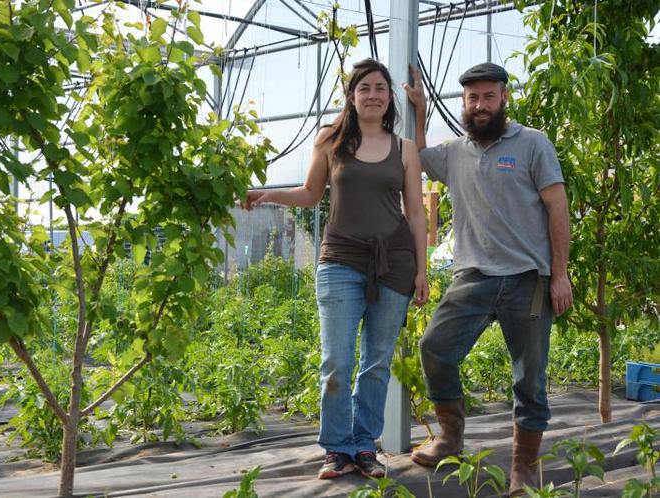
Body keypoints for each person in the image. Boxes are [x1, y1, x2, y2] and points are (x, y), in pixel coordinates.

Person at [245, 58, 429, 480]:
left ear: (390, 97)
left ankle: (365, 446)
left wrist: (421, 270)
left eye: (381, 88)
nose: (374, 95)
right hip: (340, 262)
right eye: (365, 88)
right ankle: (336, 449)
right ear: (352, 95)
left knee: (377, 363)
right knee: (336, 363)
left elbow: (416, 214)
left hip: (393, 266)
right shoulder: (330, 139)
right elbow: (310, 193)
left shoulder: (405, 149)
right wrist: (264, 195)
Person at [403, 62, 572, 496]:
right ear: (464, 102)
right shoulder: (455, 151)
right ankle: (450, 438)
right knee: (435, 348)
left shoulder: (533, 143)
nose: (480, 105)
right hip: (474, 276)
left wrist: (560, 275)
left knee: (529, 379)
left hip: (527, 278)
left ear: (504, 98)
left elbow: (558, 210)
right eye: (472, 98)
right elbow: (417, 157)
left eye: (488, 97)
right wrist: (419, 110)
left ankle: (525, 468)